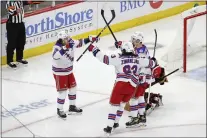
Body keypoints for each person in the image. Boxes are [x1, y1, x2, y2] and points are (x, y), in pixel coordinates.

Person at [88, 41, 157, 135]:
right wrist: (153, 60)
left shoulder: (118, 58)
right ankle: (116, 123)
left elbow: (103, 58)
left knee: (113, 107)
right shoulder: (139, 59)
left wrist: (94, 49)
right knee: (122, 105)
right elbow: (152, 63)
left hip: (120, 85)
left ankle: (109, 127)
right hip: (132, 87)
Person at [52, 30, 100, 119]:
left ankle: (72, 106)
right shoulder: (57, 47)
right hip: (60, 73)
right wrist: (65, 48)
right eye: (66, 38)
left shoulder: (70, 42)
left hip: (69, 71)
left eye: (68, 37)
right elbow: (55, 56)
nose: (68, 39)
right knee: (62, 91)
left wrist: (89, 39)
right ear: (61, 39)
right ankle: (60, 109)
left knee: (73, 88)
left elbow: (79, 42)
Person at [5, 0, 43, 68]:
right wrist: (17, 11)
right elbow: (11, 13)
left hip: (21, 24)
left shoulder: (20, 1)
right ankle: (9, 61)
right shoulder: (10, 2)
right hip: (12, 25)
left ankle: (19, 58)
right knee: (12, 43)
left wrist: (34, 1)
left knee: (21, 41)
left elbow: (29, 2)